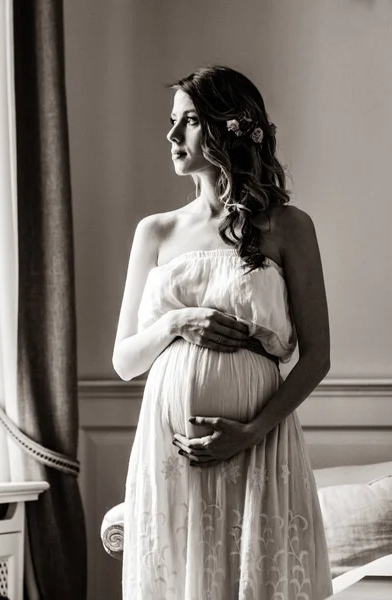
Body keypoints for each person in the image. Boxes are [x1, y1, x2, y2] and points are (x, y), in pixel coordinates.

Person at [112, 65, 333, 600]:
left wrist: (253, 431)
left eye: (187, 121)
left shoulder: (288, 226)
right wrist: (176, 322)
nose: (171, 136)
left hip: (259, 445)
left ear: (228, 129)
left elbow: (318, 356)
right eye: (172, 121)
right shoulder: (156, 231)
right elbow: (124, 361)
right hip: (170, 452)